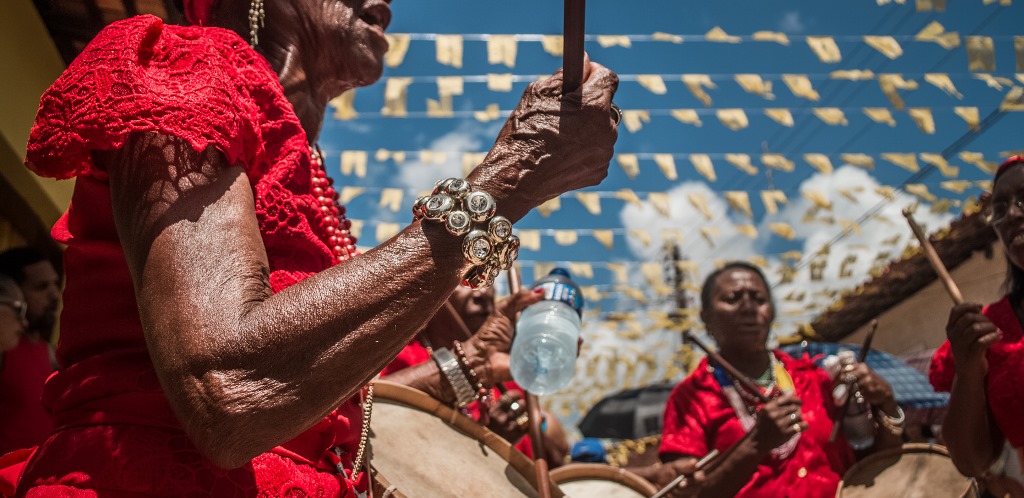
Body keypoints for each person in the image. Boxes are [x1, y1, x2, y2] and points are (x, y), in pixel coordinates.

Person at [4, 0, 620, 495]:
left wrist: (468, 366)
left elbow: (329, 404)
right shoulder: (185, 69)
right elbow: (231, 390)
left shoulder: (313, 178)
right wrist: (510, 179)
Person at [657, 262, 904, 497]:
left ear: (771, 312)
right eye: (732, 299)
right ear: (706, 318)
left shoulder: (814, 379)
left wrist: (886, 404)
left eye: (759, 299)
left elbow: (872, 467)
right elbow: (682, 493)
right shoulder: (691, 399)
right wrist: (756, 443)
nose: (748, 307)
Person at [380, 285, 572, 467]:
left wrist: (538, 421)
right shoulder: (396, 354)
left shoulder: (503, 369)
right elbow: (372, 413)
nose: (482, 293)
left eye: (490, 281)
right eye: (468, 279)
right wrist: (486, 440)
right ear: (434, 288)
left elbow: (559, 448)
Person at [930, 155, 1024, 482]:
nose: (1012, 214)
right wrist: (969, 371)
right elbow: (972, 462)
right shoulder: (991, 332)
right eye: (1000, 208)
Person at [0, 249, 58, 457]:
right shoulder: (5, 347)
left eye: (55, 284)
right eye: (41, 287)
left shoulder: (50, 353)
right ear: (14, 292)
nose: (55, 295)